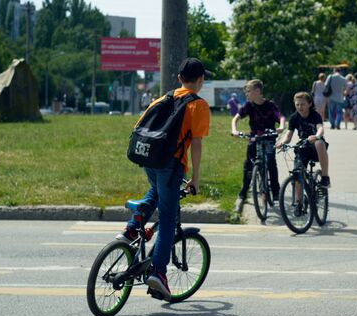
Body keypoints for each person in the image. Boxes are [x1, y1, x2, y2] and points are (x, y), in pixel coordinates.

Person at [117, 58, 211, 301]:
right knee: (169, 217)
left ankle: (131, 229)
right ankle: (158, 272)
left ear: (179, 78)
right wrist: (195, 178)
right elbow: (197, 144)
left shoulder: (162, 98)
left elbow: (139, 126)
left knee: (156, 190)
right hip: (171, 163)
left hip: (148, 158)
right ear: (200, 80)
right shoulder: (197, 105)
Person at [231, 79, 285, 212]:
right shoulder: (249, 105)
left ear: (258, 91)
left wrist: (282, 126)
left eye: (249, 91)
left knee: (271, 163)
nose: (247, 94)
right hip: (254, 138)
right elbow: (236, 117)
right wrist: (234, 129)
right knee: (248, 165)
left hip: (268, 137)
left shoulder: (270, 105)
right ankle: (243, 191)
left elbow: (281, 117)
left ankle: (276, 191)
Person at [276, 92, 330, 188]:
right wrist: (282, 142)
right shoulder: (294, 118)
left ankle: (325, 177)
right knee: (297, 174)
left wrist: (316, 136)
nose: (300, 107)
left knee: (319, 142)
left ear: (309, 104)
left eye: (303, 104)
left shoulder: (315, 115)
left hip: (316, 149)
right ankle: (298, 202)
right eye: (297, 104)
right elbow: (288, 135)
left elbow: (320, 128)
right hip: (303, 147)